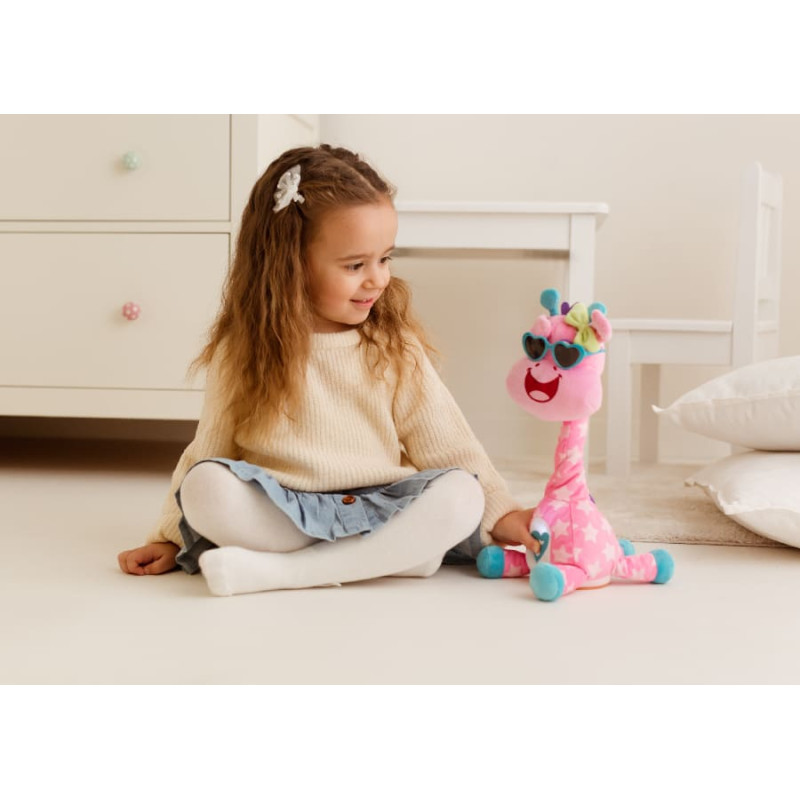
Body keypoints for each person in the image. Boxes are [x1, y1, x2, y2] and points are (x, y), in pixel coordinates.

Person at [117, 144, 537, 596]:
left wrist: (503, 513)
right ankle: (389, 558)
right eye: (355, 265)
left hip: (380, 506)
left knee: (461, 493)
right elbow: (208, 447)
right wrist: (169, 536)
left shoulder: (393, 345)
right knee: (204, 486)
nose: (378, 278)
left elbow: (449, 444)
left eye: (385, 258)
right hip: (284, 510)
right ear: (290, 264)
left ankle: (283, 572)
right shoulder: (243, 350)